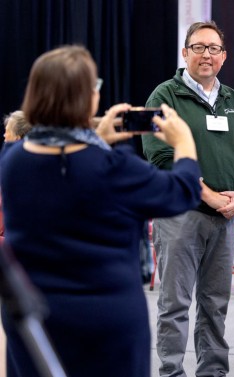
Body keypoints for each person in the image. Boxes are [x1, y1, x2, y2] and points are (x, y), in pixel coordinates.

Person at [0, 45, 201, 377]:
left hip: (33, 321)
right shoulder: (115, 168)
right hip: (105, 322)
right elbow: (183, 191)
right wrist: (184, 143)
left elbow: (62, 157)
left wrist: (97, 136)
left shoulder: (12, 162)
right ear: (86, 99)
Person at [142, 21, 234, 377]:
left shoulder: (233, 100)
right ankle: (172, 372)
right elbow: (160, 156)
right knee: (174, 303)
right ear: (185, 52)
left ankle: (213, 372)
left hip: (224, 217)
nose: (206, 55)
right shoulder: (164, 96)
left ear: (223, 56)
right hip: (181, 214)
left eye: (213, 48)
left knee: (215, 304)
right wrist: (208, 195)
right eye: (198, 47)